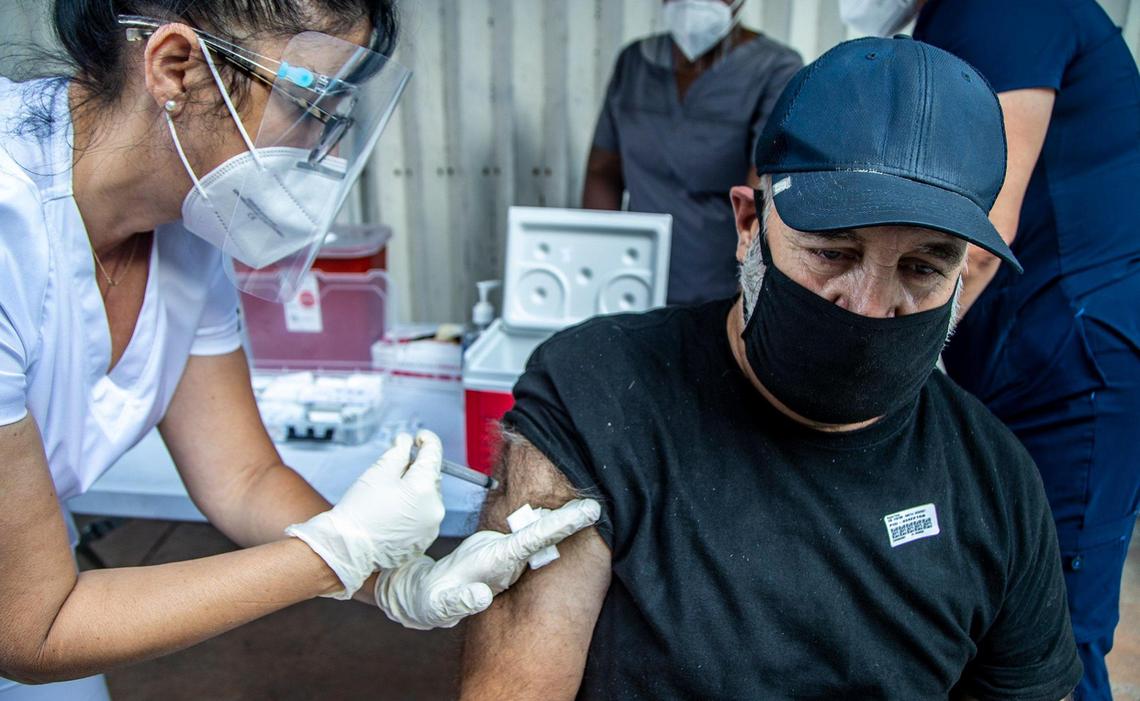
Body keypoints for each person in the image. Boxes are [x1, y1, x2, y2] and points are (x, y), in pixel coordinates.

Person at [0, 1, 598, 698]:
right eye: (311, 104)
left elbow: (243, 477)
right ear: (176, 68)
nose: (328, 153)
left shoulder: (187, 226)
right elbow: (34, 629)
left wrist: (393, 579)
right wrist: (331, 556)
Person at [460, 37, 1084, 700]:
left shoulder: (994, 481)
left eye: (923, 268)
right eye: (834, 252)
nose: (869, 307)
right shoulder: (596, 395)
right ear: (750, 222)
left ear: (966, 272)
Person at [839, 2, 1140, 698]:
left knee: (1052, 634)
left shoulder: (1007, 7)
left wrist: (882, 376)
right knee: (989, 600)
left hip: (1076, 359)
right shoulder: (954, 20)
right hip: (1029, 352)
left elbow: (976, 233)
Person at [582, 0, 802, 305]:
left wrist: (748, 298)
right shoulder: (634, 63)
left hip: (719, 293)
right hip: (632, 284)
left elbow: (762, 194)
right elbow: (602, 171)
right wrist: (597, 268)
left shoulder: (774, 69)